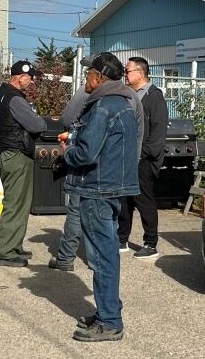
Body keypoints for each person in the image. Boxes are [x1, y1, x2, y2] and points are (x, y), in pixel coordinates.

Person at [61, 52, 139, 342]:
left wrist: (66, 154)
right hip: (110, 186)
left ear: (99, 77)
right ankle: (108, 311)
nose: (85, 79)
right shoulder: (122, 103)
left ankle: (110, 321)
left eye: (88, 74)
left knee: (103, 256)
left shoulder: (104, 107)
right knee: (106, 253)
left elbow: (86, 152)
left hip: (96, 187)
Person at [49, 80, 144, 272]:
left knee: (77, 209)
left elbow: (67, 120)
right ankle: (102, 261)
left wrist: (70, 148)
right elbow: (139, 130)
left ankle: (68, 257)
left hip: (92, 170)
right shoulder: (131, 97)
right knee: (109, 218)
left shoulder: (93, 96)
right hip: (123, 168)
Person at [0, 60, 46, 267]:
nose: (31, 81)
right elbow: (36, 124)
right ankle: (6, 252)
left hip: (11, 153)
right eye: (30, 77)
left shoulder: (4, 93)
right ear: (20, 77)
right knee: (16, 204)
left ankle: (13, 245)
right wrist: (41, 120)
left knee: (20, 203)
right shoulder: (15, 98)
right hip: (16, 154)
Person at [118, 56, 168, 259]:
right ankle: (122, 239)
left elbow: (158, 130)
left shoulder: (154, 96)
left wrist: (145, 154)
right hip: (126, 156)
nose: (125, 75)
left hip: (143, 159)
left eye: (128, 71)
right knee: (124, 200)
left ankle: (150, 243)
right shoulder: (128, 95)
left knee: (143, 199)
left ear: (140, 72)